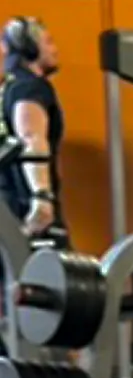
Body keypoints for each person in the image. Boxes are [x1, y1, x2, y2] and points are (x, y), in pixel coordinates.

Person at [0, 17, 66, 240]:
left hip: (9, 204)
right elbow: (30, 138)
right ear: (29, 49)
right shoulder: (30, 87)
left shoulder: (9, 87)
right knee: (55, 272)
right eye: (48, 42)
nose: (55, 50)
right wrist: (41, 198)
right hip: (25, 206)